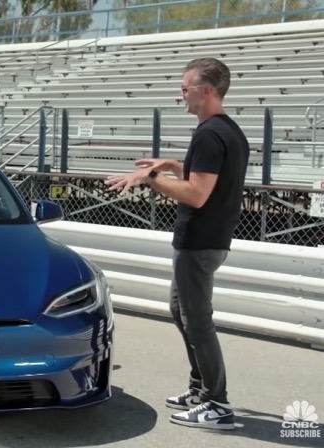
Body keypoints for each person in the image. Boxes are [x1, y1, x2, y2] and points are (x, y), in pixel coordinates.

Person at [105, 58, 248, 430]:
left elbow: (198, 194)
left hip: (200, 241)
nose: (180, 95)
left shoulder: (209, 134)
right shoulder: (227, 131)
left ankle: (217, 403)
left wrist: (150, 177)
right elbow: (206, 177)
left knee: (198, 321)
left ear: (206, 91)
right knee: (179, 309)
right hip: (207, 240)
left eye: (185, 88)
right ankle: (200, 389)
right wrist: (171, 164)